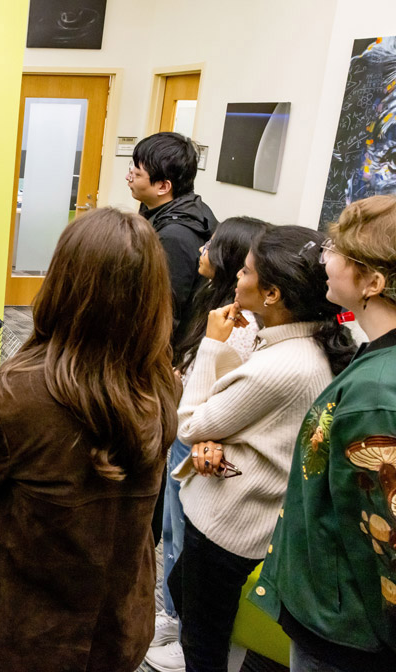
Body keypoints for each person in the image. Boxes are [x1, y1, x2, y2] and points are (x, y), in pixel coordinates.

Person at [0, 208, 179, 672]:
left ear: (64, 285)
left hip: (21, 639)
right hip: (116, 632)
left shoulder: (17, 397)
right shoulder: (162, 384)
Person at [167, 225, 356, 672]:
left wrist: (212, 346)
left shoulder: (284, 365)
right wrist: (218, 432)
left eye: (247, 271)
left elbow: (189, 423)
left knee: (202, 644)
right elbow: (243, 413)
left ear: (271, 294)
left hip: (227, 530)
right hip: (239, 517)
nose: (238, 276)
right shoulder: (299, 343)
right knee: (188, 599)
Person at [253, 195, 396, 672]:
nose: (323, 257)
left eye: (337, 249)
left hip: (347, 631)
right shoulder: (373, 360)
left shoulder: (377, 392)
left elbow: (385, 539)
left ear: (373, 282)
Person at [147, 217, 269, 672]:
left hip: (198, 437)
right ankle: (171, 616)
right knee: (173, 534)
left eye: (212, 245)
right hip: (188, 432)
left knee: (184, 543)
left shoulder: (240, 325)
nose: (202, 249)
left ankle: (183, 629)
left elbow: (222, 396)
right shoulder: (214, 303)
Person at [127, 130, 217, 544]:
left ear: (163, 186)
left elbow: (165, 313)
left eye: (137, 170)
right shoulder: (171, 217)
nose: (129, 175)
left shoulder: (176, 238)